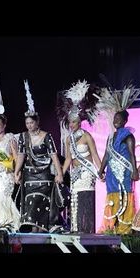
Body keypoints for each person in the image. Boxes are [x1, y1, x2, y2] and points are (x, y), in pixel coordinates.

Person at [14, 83, 64, 232]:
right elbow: (21, 155)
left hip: (45, 175)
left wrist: (59, 173)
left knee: (42, 204)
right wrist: (17, 172)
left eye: (31, 122)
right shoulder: (23, 137)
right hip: (29, 175)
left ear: (37, 122)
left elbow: (54, 155)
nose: (29, 125)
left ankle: (42, 236)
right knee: (31, 204)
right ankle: (34, 237)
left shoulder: (46, 136)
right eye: (27, 123)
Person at [57, 80, 102, 234]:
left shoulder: (87, 136)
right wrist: (61, 173)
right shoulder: (69, 138)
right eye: (70, 122)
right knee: (75, 200)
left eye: (74, 122)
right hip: (75, 173)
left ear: (79, 122)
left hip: (87, 172)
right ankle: (76, 229)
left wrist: (100, 170)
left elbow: (95, 155)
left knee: (86, 199)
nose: (71, 125)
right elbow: (68, 158)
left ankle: (87, 229)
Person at [98, 110, 139, 234]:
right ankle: (113, 227)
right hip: (111, 173)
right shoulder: (111, 137)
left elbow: (132, 154)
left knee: (124, 196)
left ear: (125, 121)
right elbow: (106, 154)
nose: (115, 121)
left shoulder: (128, 135)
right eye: (114, 118)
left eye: (119, 119)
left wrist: (135, 170)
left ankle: (125, 229)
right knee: (112, 197)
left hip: (124, 172)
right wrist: (101, 170)